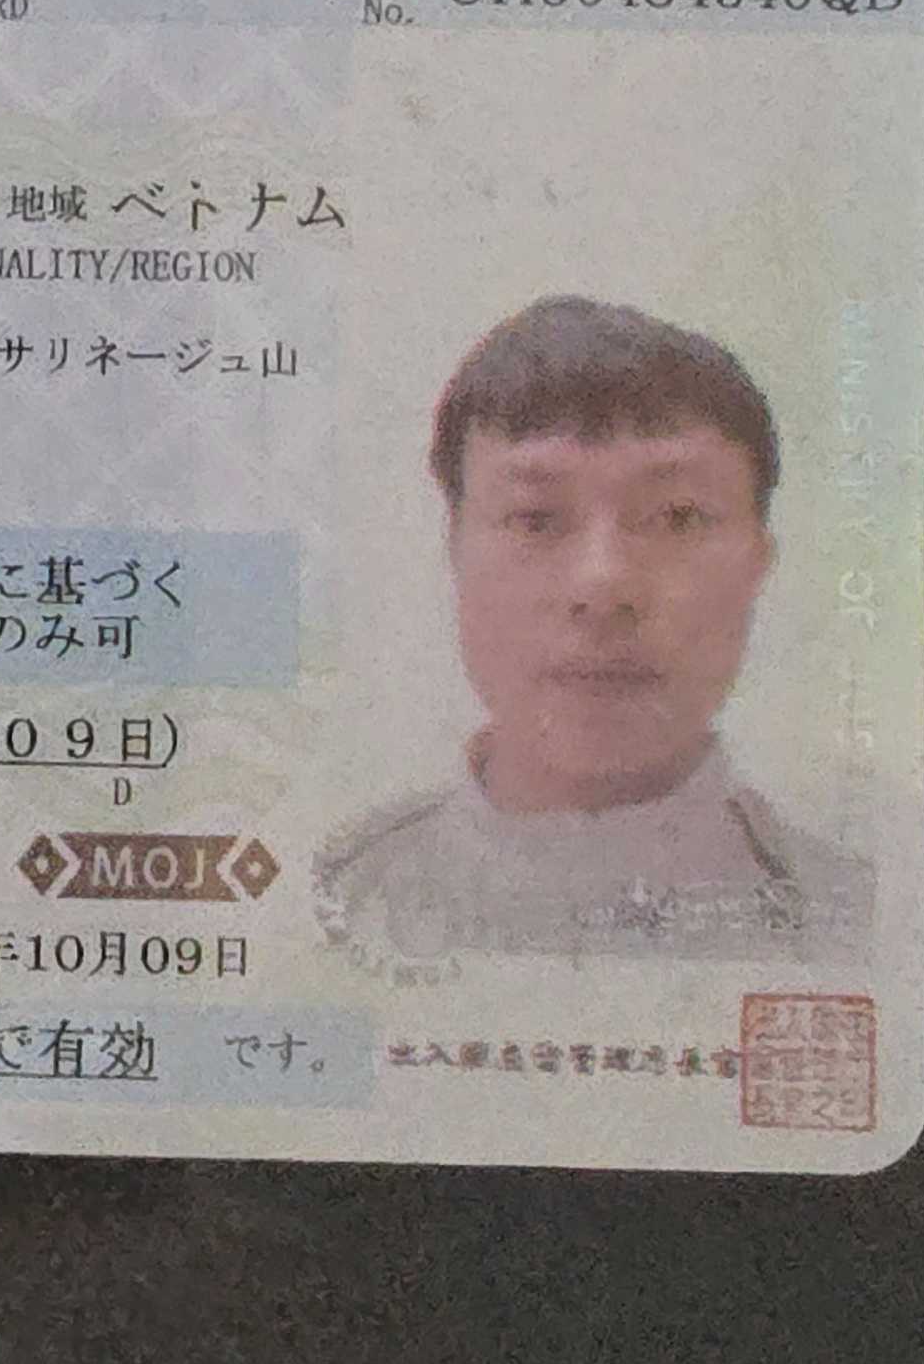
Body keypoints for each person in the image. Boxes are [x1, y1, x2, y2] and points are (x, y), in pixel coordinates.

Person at [315, 296, 873, 967]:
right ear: (454, 547)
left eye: (678, 517)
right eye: (535, 520)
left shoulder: (862, 923)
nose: (603, 588)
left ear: (758, 560)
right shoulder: (330, 903)